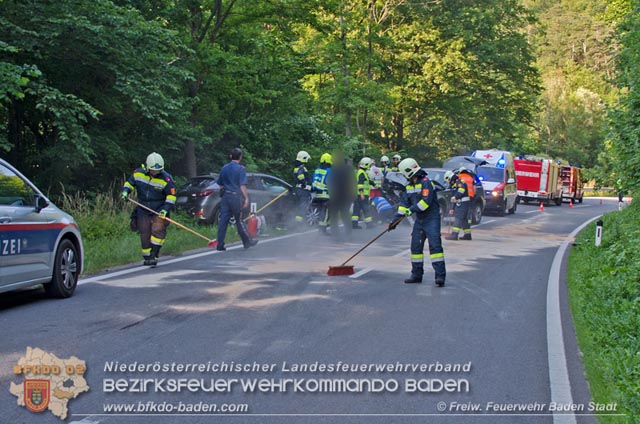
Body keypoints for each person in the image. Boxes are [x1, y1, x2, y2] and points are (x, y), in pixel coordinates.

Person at [388, 158, 446, 286]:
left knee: (435, 247)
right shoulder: (408, 186)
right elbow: (403, 206)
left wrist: (410, 210)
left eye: (403, 173)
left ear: (409, 171)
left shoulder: (426, 183)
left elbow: (425, 203)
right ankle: (416, 275)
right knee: (415, 247)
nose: (403, 176)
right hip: (419, 221)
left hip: (431, 219)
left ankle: (440, 276)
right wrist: (394, 222)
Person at [121, 152, 176, 266]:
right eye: (153, 170)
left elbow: (171, 196)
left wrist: (165, 209)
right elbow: (129, 183)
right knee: (144, 232)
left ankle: (154, 255)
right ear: (147, 167)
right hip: (143, 208)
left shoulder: (166, 179)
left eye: (158, 170)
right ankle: (147, 256)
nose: (156, 172)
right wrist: (125, 192)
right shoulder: (138, 173)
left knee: (157, 230)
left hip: (159, 209)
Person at [215, 147, 258, 251]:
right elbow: (242, 185)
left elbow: (220, 184)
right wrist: (246, 198)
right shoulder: (240, 169)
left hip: (225, 197)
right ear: (240, 157)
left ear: (230, 156)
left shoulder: (224, 168)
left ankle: (220, 244)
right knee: (239, 220)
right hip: (235, 197)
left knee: (223, 221)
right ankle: (247, 241)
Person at [327, 151, 354, 242]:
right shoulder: (348, 169)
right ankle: (346, 234)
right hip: (344, 196)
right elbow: (352, 183)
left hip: (337, 196)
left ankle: (337, 235)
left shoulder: (333, 169)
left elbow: (330, 183)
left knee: (335, 216)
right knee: (343, 215)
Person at [446, 166, 473, 240]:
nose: (449, 183)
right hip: (464, 203)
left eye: (449, 181)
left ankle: (454, 235)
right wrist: (452, 208)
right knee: (464, 219)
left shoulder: (459, 182)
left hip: (462, 203)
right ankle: (467, 235)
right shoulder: (455, 185)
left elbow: (461, 190)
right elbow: (455, 198)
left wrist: (456, 197)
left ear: (450, 178)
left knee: (458, 218)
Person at [312, 153, 332, 234]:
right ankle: (323, 230)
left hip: (317, 195)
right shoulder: (329, 171)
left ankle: (321, 228)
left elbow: (313, 181)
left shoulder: (317, 170)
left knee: (321, 212)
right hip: (326, 195)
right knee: (325, 212)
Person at [352, 157, 374, 229]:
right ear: (366, 164)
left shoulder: (361, 172)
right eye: (369, 165)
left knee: (356, 210)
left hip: (358, 194)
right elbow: (360, 184)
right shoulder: (362, 173)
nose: (370, 166)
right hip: (362, 194)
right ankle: (369, 224)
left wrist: (375, 185)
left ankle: (354, 224)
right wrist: (362, 193)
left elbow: (367, 181)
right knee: (366, 209)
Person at [293, 150, 312, 225]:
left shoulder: (296, 168)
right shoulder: (301, 168)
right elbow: (300, 176)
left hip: (298, 190)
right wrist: (304, 183)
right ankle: (300, 225)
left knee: (299, 206)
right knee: (303, 207)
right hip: (303, 190)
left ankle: (296, 223)